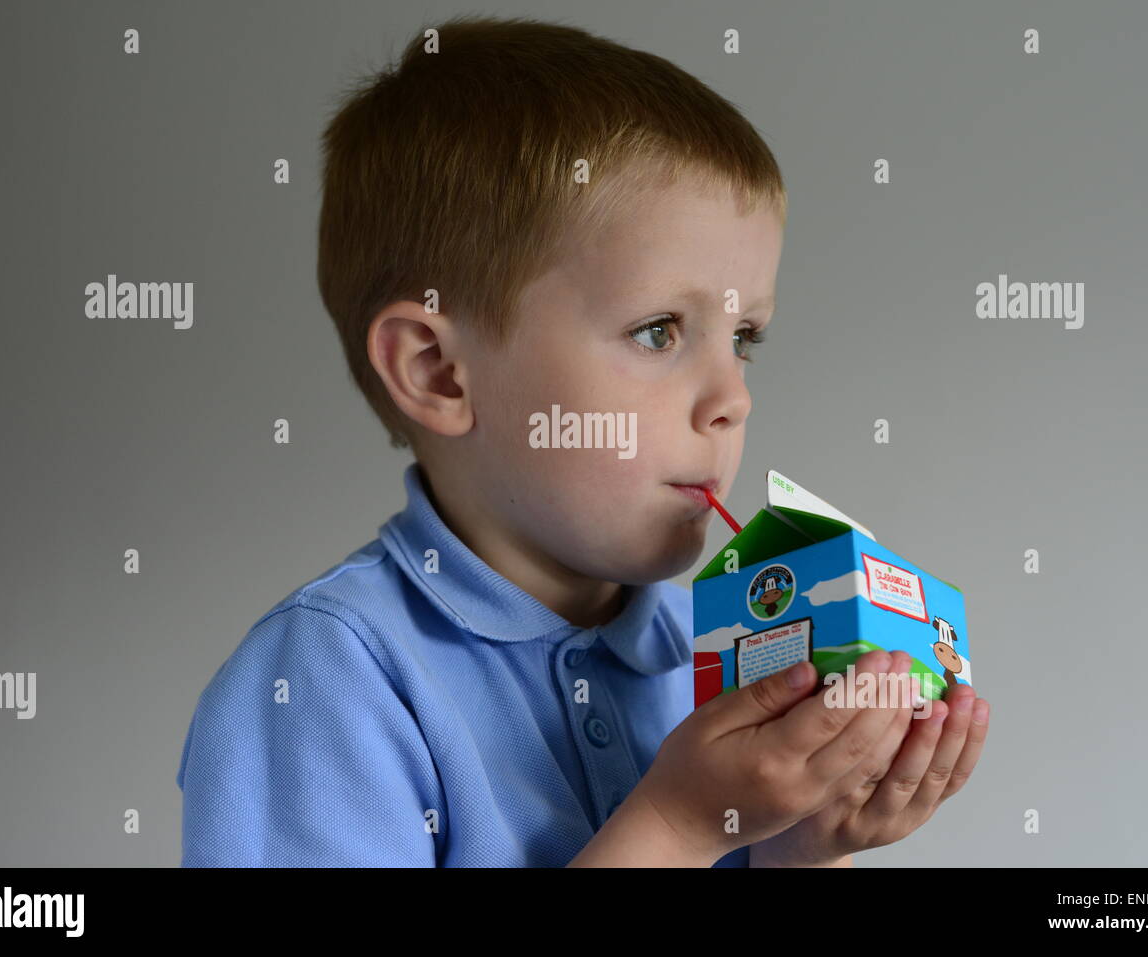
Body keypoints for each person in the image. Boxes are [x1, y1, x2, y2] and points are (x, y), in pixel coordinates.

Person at [177, 14, 988, 867]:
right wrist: (679, 824)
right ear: (439, 373)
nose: (733, 398)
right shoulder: (324, 682)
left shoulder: (729, 645)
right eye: (657, 331)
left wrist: (805, 848)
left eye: (744, 335)